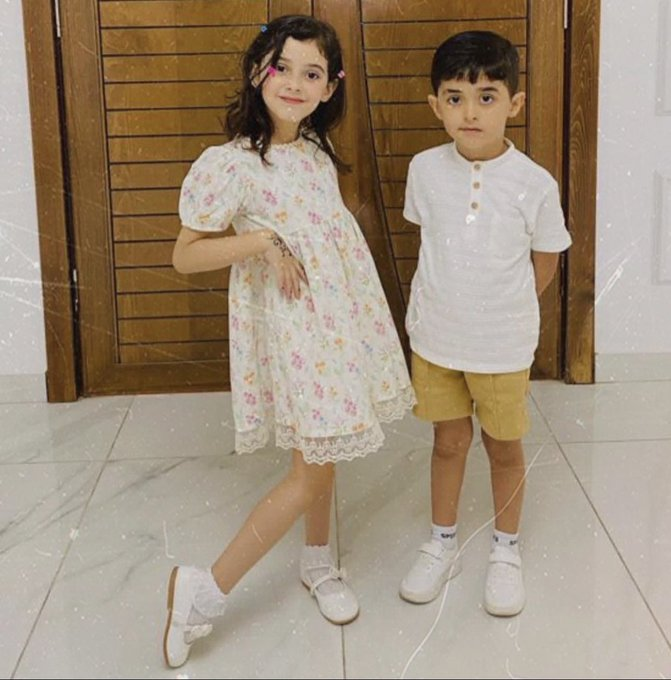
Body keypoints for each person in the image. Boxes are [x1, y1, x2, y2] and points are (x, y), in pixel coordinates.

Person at [162, 15, 415, 668]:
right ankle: (205, 591)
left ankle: (316, 561)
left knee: (323, 450)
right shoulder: (230, 165)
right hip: (296, 334)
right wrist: (261, 241)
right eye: (283, 68)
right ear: (258, 72)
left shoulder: (315, 154)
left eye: (313, 73)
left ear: (330, 87)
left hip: (337, 328)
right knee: (309, 472)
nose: (295, 83)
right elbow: (186, 257)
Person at [399, 30, 572, 617]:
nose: (469, 113)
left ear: (514, 103)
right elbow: (431, 242)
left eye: (487, 97)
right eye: (455, 98)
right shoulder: (424, 170)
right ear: (436, 105)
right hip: (436, 339)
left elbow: (545, 260)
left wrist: (504, 308)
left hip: (501, 345)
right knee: (448, 442)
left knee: (503, 447)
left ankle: (505, 548)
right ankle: (442, 540)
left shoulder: (535, 183)